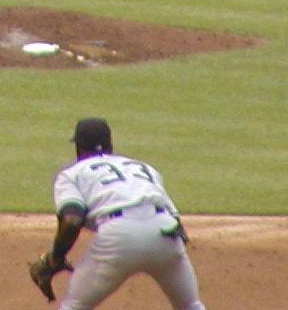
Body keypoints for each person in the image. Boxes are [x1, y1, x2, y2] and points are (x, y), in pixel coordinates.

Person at [28, 117, 204, 310]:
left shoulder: (72, 174)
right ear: (110, 145)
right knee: (191, 305)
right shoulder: (144, 168)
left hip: (119, 235)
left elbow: (71, 220)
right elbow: (177, 222)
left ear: (79, 148)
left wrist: (54, 259)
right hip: (165, 230)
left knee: (74, 306)